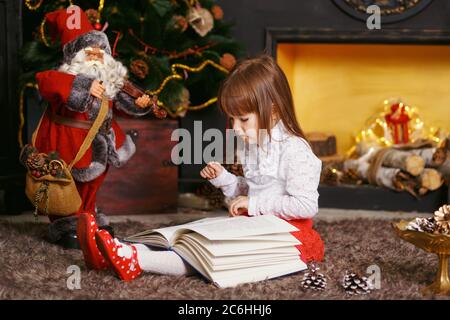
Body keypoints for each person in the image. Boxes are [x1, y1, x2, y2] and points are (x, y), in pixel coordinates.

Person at [77, 54, 324, 281]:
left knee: (207, 253)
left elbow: (305, 206)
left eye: (244, 119)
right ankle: (119, 248)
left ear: (273, 112)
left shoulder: (295, 150)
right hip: (258, 225)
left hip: (288, 237)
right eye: (233, 119)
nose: (236, 128)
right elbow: (253, 192)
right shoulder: (254, 144)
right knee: (195, 233)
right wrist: (226, 180)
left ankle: (137, 259)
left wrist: (254, 205)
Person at [23, 6, 155, 250]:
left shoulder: (109, 79)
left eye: (99, 50)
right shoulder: (62, 77)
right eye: (88, 50)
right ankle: (66, 224)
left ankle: (88, 217)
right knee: (68, 186)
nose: (95, 54)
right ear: (74, 56)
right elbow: (46, 80)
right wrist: (82, 85)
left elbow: (126, 98)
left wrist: (142, 102)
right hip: (69, 144)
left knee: (92, 185)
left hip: (99, 143)